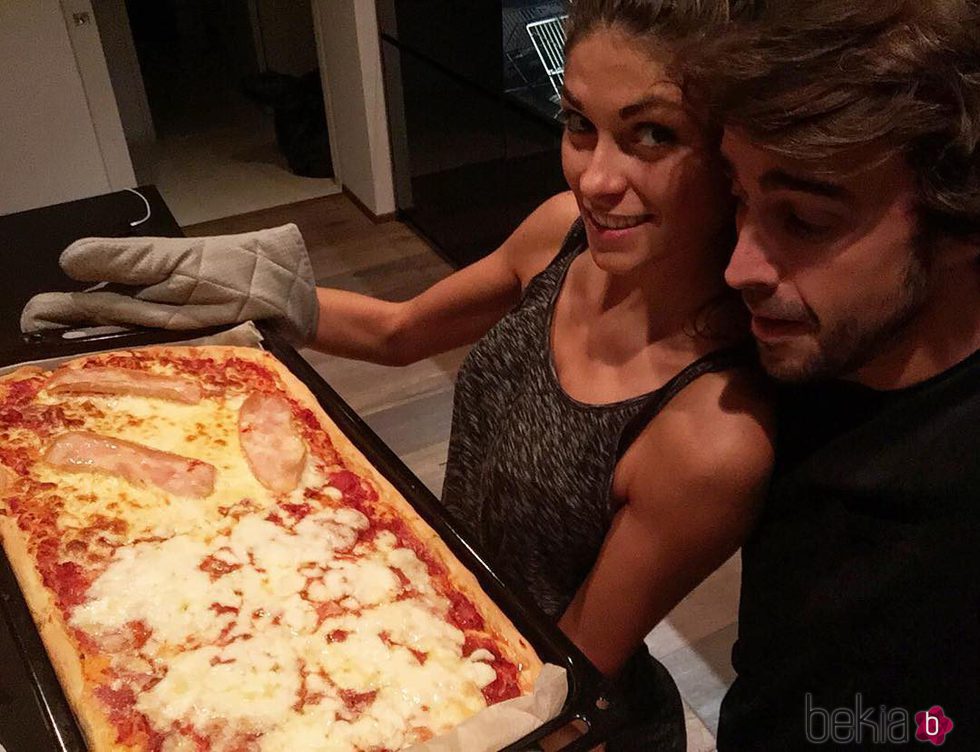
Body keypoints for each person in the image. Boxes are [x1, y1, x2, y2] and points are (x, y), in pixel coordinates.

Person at [21, 1, 773, 748]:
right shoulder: (560, 236)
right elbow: (401, 331)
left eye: (652, 135)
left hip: (520, 705)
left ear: (733, 154)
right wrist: (282, 301)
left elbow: (558, 685)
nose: (596, 178)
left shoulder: (711, 433)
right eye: (581, 124)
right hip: (418, 603)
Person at [681, 1, 980, 748]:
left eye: (805, 222)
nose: (739, 266)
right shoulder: (798, 353)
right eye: (740, 199)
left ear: (961, 224)